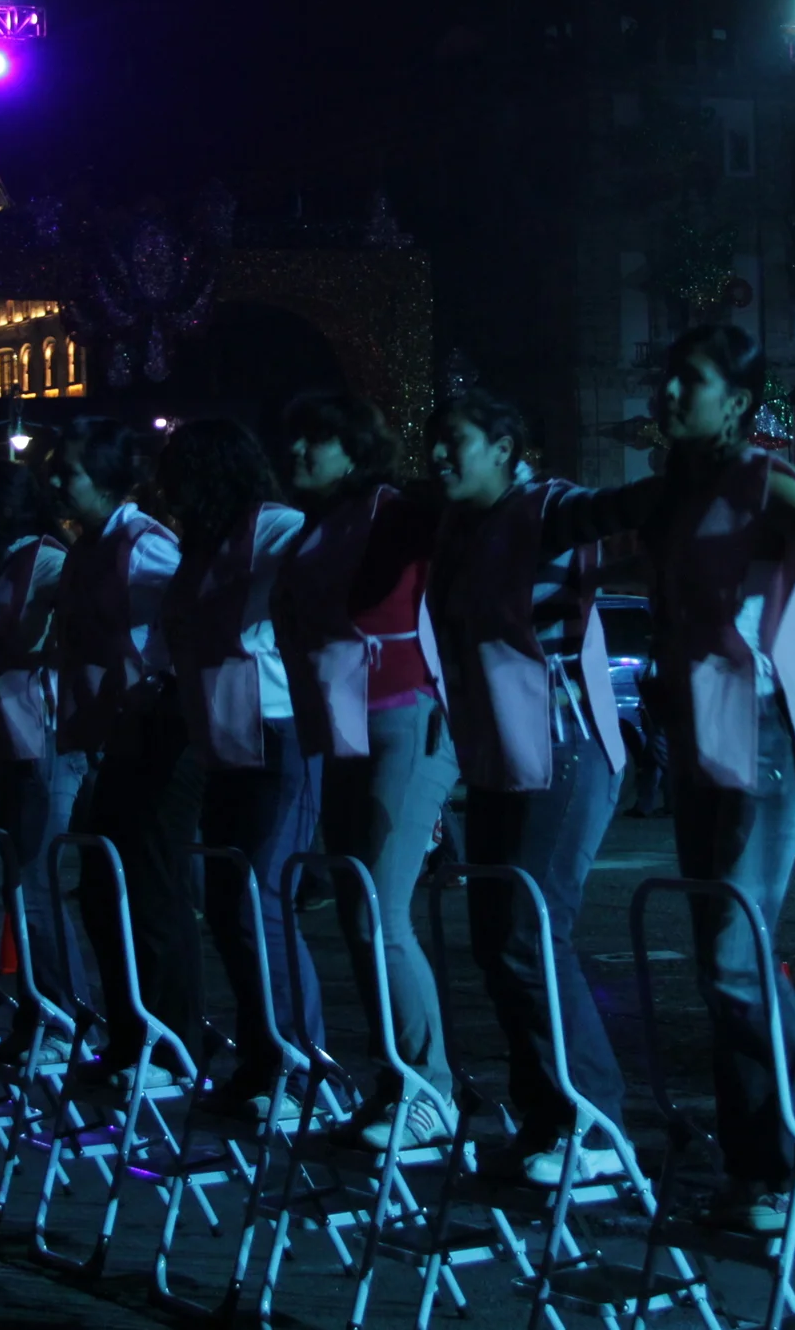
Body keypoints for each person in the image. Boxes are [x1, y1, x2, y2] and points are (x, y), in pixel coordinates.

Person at [630, 326, 795, 1232]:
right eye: (667, 378)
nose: (671, 393)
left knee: (734, 955)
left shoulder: (766, 477)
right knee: (723, 962)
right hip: (698, 735)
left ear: (737, 397)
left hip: (765, 727)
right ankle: (759, 1161)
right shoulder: (674, 493)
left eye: (692, 379)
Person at [424, 387, 635, 1186]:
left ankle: (597, 1125)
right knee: (496, 940)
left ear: (508, 449)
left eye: (458, 440)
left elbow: (610, 509)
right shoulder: (456, 526)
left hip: (565, 745)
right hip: (498, 754)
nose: (440, 455)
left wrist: (698, 476)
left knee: (530, 932)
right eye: (434, 441)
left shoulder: (544, 507)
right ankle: (548, 1115)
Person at [277, 392, 459, 1149]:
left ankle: (431, 1088)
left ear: (351, 450)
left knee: (379, 914)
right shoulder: (315, 529)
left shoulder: (396, 511)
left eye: (311, 441)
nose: (295, 455)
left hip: (405, 717)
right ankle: (397, 1080)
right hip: (345, 727)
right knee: (359, 914)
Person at [157, 418, 321, 1116]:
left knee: (259, 901)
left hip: (276, 729)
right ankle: (263, 1057)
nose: (170, 488)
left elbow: (278, 614)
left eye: (181, 473)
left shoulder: (276, 526)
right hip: (223, 738)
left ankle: (301, 1063)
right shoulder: (204, 541)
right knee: (227, 904)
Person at [51, 419, 190, 1079]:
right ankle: (131, 1030)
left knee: (149, 885)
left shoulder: (143, 544)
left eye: (69, 471)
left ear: (107, 479)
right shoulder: (88, 546)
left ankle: (168, 1041)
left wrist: (154, 684)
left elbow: (185, 614)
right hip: (112, 733)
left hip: (155, 726)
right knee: (105, 885)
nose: (56, 482)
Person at [0, 457, 93, 1038]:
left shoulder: (47, 560)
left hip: (45, 739)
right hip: (7, 740)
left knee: (35, 881)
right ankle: (46, 1012)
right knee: (20, 881)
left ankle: (66, 1020)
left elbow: (84, 625)